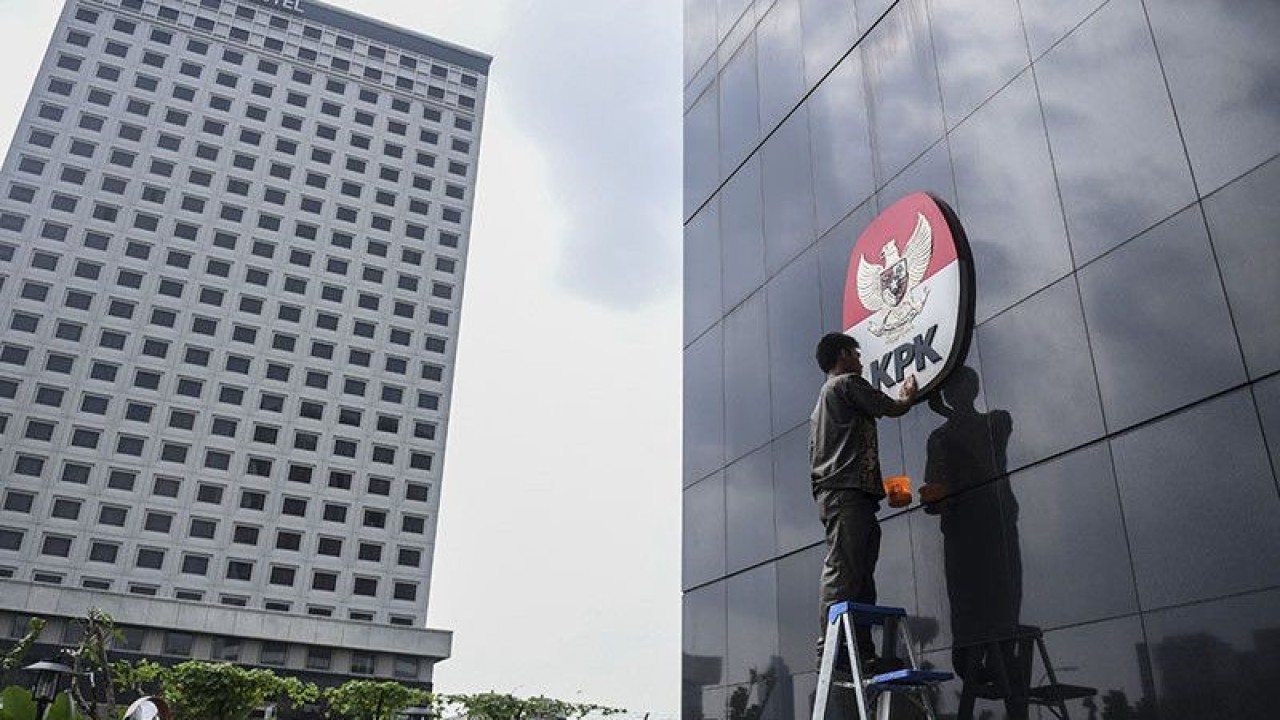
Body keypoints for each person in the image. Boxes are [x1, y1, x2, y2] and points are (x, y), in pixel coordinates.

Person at [810, 332, 916, 675]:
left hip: (847, 494)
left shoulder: (822, 403)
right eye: (856, 354)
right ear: (843, 355)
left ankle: (860, 650)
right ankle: (831, 648)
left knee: (860, 575)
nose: (860, 360)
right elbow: (889, 407)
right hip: (846, 493)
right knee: (844, 570)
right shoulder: (845, 384)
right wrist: (907, 396)